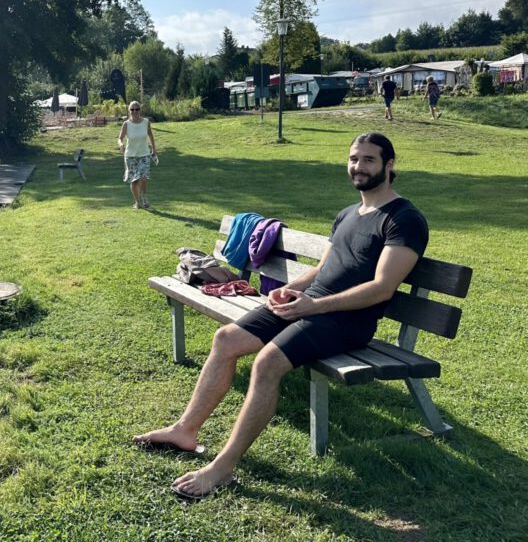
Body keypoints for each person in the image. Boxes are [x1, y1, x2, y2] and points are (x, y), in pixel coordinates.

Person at [133, 132, 428, 499]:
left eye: (369, 160)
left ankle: (222, 468)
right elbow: (323, 269)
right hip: (308, 305)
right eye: (354, 159)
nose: (358, 167)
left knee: (267, 362)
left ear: (389, 164)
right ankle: (185, 430)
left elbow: (382, 288)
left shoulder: (404, 220)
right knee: (226, 339)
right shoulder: (349, 214)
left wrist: (313, 306)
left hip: (347, 320)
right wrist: (293, 290)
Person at [117, 101, 157, 209]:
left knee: (143, 178)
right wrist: (121, 144)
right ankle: (137, 202)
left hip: (144, 154)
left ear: (140, 110)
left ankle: (144, 197)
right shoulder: (126, 124)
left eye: (137, 109)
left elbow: (150, 135)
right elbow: (120, 138)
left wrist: (154, 149)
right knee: (134, 180)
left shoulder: (146, 122)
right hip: (130, 155)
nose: (134, 111)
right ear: (129, 111)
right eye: (132, 109)